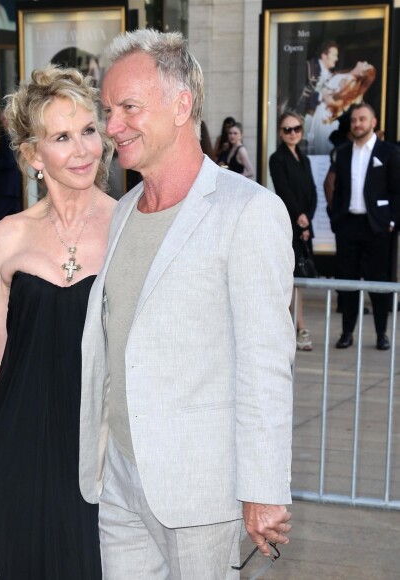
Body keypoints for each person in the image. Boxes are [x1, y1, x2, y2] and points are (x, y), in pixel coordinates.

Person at [79, 29, 294, 579]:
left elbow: (266, 361)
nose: (112, 127)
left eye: (128, 107)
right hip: (120, 474)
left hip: (199, 490)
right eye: (108, 110)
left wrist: (263, 490)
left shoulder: (247, 212)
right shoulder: (123, 210)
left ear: (182, 105)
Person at [0, 64, 116, 579]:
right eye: (62, 137)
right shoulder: (7, 236)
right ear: (33, 155)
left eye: (89, 130)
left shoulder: (128, 227)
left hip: (99, 445)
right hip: (18, 441)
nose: (82, 150)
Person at [330, 102, 400, 350]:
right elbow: (337, 191)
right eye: (354, 120)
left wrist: (391, 221)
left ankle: (382, 333)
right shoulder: (343, 152)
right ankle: (347, 332)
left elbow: (396, 191)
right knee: (347, 282)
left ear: (373, 123)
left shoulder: (389, 152)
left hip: (377, 227)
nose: (357, 123)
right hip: (348, 225)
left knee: (378, 282)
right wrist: (335, 218)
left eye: (362, 119)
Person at [270, 112, 318, 351]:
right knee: (291, 279)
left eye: (296, 128)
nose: (292, 133)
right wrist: (299, 216)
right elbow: (283, 191)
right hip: (288, 226)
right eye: (287, 129)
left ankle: (296, 327)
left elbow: (313, 192)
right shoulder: (277, 159)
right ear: (280, 133)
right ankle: (299, 327)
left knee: (298, 279)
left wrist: (307, 219)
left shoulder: (305, 159)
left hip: (304, 227)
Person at [307, 61, 376, 155]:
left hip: (326, 115)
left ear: (363, 73)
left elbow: (342, 104)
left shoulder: (350, 82)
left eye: (367, 65)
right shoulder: (347, 76)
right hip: (322, 112)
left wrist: (327, 99)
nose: (365, 62)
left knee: (320, 147)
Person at [296, 41, 339, 117]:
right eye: (334, 55)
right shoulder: (308, 67)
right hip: (301, 116)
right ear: (324, 56)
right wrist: (321, 96)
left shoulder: (331, 75)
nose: (337, 58)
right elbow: (297, 93)